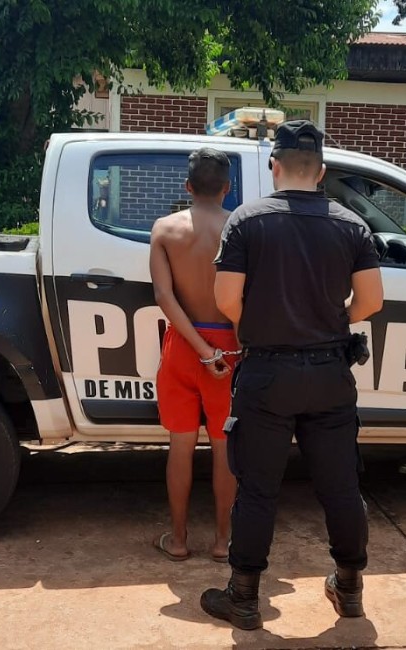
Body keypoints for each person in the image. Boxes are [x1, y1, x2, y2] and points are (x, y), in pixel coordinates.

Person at [201, 121, 384, 630]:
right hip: (330, 373)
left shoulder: (247, 221)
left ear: (274, 167)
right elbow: (371, 301)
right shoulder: (352, 225)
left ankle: (243, 599)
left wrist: (267, 324)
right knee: (341, 487)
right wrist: (330, 322)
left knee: (258, 489)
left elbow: (226, 299)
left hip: (267, 374)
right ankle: (349, 589)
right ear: (321, 172)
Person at [149, 148, 240, 563]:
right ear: (227, 188)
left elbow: (164, 296)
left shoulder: (165, 229)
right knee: (225, 447)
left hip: (184, 347)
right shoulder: (239, 228)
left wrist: (201, 350)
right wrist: (228, 349)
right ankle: (223, 542)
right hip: (229, 349)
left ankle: (179, 539)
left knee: (180, 446)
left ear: (187, 186)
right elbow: (246, 296)